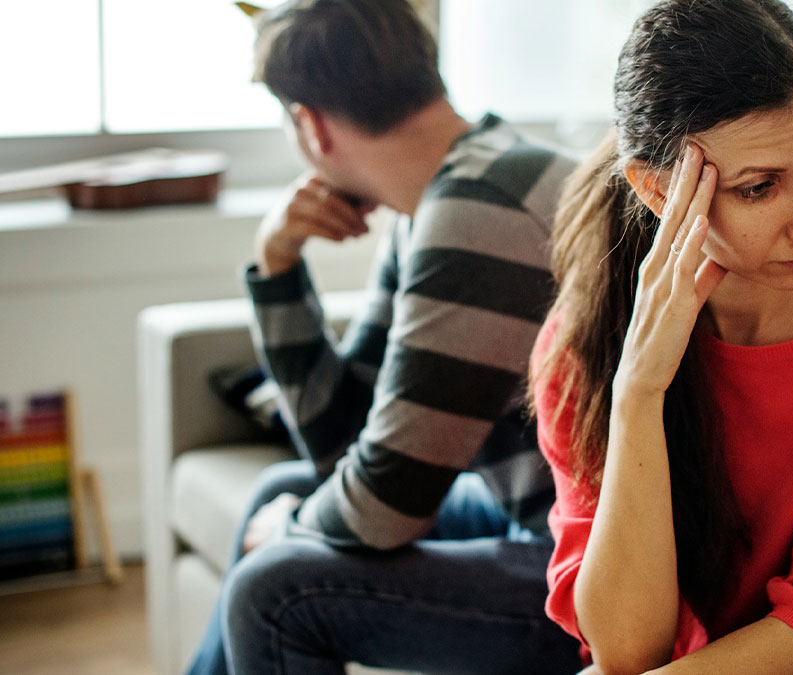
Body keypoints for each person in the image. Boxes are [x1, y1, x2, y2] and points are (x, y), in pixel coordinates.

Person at [529, 1, 793, 673]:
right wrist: (639, 392)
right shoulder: (582, 340)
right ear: (655, 189)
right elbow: (625, 648)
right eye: (760, 187)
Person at [184, 1, 581, 673]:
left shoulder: (477, 214)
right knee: (276, 489)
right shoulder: (465, 179)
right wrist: (276, 263)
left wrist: (288, 531)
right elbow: (344, 442)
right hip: (548, 521)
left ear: (310, 123)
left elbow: (386, 508)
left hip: (606, 572)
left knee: (272, 590)